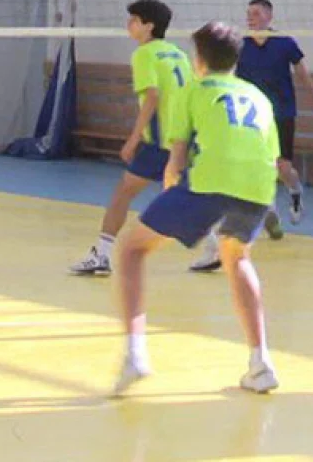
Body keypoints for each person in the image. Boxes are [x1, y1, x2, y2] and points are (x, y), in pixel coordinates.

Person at [112, 21, 279, 396]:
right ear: (236, 60)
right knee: (237, 258)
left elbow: (175, 160)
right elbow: (271, 157)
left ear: (198, 59)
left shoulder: (192, 90)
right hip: (258, 189)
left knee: (132, 249)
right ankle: (261, 363)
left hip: (210, 183)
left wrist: (173, 201)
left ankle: (135, 355)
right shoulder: (258, 96)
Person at [189, 0, 313, 271]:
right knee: (255, 163)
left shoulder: (285, 42)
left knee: (282, 166)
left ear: (269, 17)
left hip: (282, 112)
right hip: (250, 114)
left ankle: (295, 192)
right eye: (248, 13)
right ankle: (268, 210)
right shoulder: (241, 44)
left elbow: (303, 76)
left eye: (256, 13)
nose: (250, 17)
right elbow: (227, 74)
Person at [70, 0, 191, 276]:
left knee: (123, 193)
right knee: (184, 195)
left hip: (159, 141)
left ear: (149, 26)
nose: (129, 24)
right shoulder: (178, 54)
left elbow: (152, 97)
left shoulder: (144, 54)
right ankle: (215, 248)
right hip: (182, 139)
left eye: (134, 20)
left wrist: (134, 139)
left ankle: (102, 255)